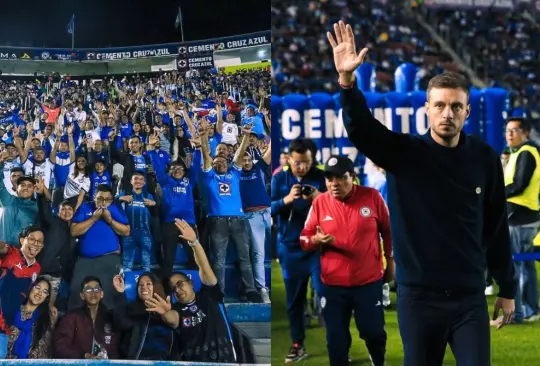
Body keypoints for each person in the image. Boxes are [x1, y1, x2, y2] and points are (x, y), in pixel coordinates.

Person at [326, 20, 515, 365]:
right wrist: (347, 82)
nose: (448, 113)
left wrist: (507, 287)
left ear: (467, 112)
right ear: (426, 109)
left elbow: (496, 224)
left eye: (456, 107)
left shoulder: (484, 158)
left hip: (469, 297)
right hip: (418, 299)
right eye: (440, 105)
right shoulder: (404, 153)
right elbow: (362, 129)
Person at [300, 155, 393, 366]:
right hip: (333, 285)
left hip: (367, 281)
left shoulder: (373, 197)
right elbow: (304, 238)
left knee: (374, 333)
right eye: (329, 179)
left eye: (340, 177)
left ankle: (378, 360)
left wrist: (391, 260)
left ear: (353, 177)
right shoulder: (320, 203)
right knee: (336, 341)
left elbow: (388, 231)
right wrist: (315, 239)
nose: (334, 184)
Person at [150, 219, 237, 363]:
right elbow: (173, 320)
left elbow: (204, 267)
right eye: (173, 289)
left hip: (225, 360)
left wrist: (194, 243)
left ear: (191, 283)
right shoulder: (177, 309)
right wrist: (165, 313)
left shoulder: (210, 295)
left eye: (179, 284)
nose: (177, 289)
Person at [271, 137, 326, 363]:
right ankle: (298, 344)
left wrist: (318, 198)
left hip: (318, 247)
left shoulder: (321, 178)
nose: (302, 167)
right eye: (297, 163)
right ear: (289, 160)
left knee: (328, 297)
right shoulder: (279, 178)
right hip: (290, 248)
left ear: (313, 160)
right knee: (294, 302)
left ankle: (338, 345)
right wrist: (286, 200)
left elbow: (338, 207)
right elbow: (267, 209)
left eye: (306, 162)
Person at [69, 184, 130, 310]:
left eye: (107, 200)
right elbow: (74, 231)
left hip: (109, 258)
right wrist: (94, 218)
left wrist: (110, 221)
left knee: (109, 295)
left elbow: (126, 231)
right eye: (100, 199)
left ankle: (108, 326)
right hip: (85, 260)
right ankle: (76, 323)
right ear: (93, 197)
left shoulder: (115, 208)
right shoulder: (85, 207)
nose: (103, 202)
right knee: (77, 291)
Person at [503, 117, 540, 322]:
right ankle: (530, 310)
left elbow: (519, 185)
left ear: (525, 132)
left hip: (519, 217)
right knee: (525, 266)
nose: (509, 134)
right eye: (507, 130)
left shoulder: (526, 153)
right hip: (524, 216)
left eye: (514, 130)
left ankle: (518, 313)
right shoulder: (521, 153)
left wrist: (496, 193)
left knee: (517, 266)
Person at [0, 225, 45, 358]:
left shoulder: (37, 268)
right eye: (31, 239)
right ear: (21, 240)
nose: (35, 244)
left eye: (39, 241)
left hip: (4, 329)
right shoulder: (10, 253)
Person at [111, 271, 178, 361]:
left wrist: (165, 313)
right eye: (140, 285)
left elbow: (175, 323)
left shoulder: (167, 306)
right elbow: (120, 323)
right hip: (136, 362)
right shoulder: (132, 308)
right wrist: (120, 293)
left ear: (156, 286)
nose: (144, 287)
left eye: (148, 284)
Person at [53, 276, 121, 359]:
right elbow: (60, 346)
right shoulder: (72, 316)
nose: (93, 293)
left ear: (102, 294)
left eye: (96, 289)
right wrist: (84, 356)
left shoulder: (110, 317)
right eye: (88, 289)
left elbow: (116, 347)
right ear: (82, 295)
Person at [6, 276, 56, 359]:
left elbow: (43, 351)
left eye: (44, 292)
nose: (39, 293)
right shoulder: (14, 310)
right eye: (37, 287)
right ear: (30, 288)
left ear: (46, 298)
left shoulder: (46, 319)